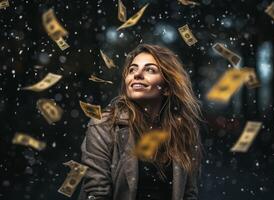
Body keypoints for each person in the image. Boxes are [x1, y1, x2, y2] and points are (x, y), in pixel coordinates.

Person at [78, 44, 204, 200]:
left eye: (150, 70)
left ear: (167, 88)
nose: (137, 74)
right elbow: (97, 193)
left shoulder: (184, 130)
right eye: (132, 69)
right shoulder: (103, 125)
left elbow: (189, 193)